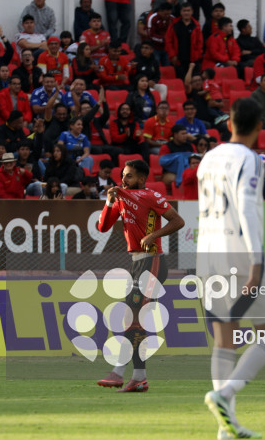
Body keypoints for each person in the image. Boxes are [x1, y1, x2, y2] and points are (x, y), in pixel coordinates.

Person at [197, 98, 265, 440]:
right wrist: (257, 261)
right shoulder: (250, 158)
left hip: (207, 252)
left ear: (229, 122)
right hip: (239, 252)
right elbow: (246, 208)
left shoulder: (208, 157)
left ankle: (225, 427)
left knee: (224, 339)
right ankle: (225, 395)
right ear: (259, 126)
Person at [96, 159, 185, 392]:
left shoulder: (150, 196)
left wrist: (153, 235)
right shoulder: (122, 198)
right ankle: (138, 377)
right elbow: (103, 227)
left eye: (129, 176)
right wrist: (109, 202)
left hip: (153, 262)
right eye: (123, 175)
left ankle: (118, 372)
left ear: (142, 179)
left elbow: (178, 221)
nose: (123, 180)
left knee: (132, 316)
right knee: (136, 320)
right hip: (137, 263)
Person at [165, 3, 203, 80]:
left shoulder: (196, 25)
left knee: (193, 83)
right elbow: (169, 41)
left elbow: (200, 43)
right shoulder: (174, 25)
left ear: (192, 12)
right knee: (180, 81)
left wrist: (196, 56)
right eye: (184, 11)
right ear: (180, 12)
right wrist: (172, 55)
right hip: (178, 60)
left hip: (192, 60)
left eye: (188, 11)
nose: (186, 13)